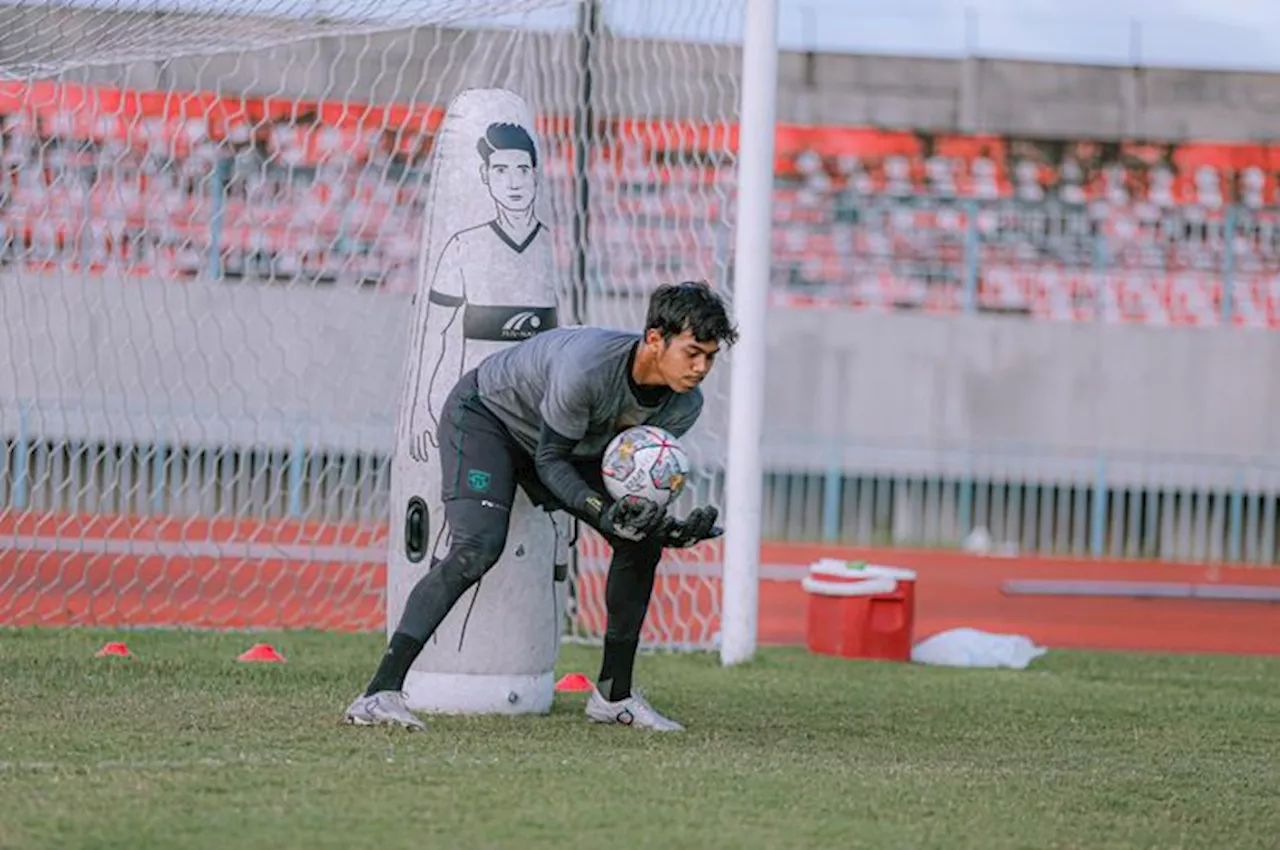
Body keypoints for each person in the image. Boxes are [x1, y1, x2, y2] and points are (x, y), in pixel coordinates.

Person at [345, 280, 737, 732]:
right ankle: (377, 694)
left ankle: (614, 698)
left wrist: (663, 525)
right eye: (692, 352)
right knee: (478, 546)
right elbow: (552, 460)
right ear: (654, 339)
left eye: (710, 356)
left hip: (565, 446)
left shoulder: (685, 405)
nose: (702, 367)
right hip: (488, 419)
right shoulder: (587, 368)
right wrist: (603, 510)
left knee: (641, 542)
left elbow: (620, 471)